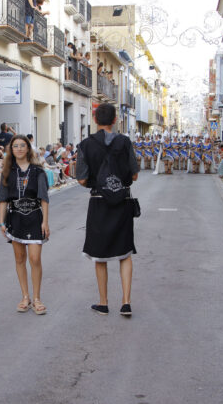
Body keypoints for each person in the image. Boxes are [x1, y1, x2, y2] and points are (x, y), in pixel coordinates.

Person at [76, 103, 139, 317]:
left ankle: (103, 302)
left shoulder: (85, 145)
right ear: (115, 120)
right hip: (122, 201)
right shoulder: (125, 142)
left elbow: (82, 178)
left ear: (95, 120)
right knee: (125, 253)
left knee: (99, 256)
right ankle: (126, 302)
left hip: (99, 201)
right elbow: (134, 175)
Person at [0, 135, 50, 315]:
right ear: (11, 150)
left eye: (22, 145)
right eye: (15, 146)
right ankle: (25, 296)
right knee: (20, 259)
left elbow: (44, 197)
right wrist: (1, 222)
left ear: (28, 148)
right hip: (15, 218)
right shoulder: (7, 171)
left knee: (35, 258)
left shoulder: (38, 171)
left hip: (35, 217)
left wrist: (45, 221)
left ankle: (37, 298)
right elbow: (3, 199)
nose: (19, 148)